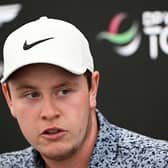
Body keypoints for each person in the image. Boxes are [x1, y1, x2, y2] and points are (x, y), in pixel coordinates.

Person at [0, 16, 168, 168]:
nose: (49, 112)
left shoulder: (159, 161)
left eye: (64, 91)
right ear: (9, 98)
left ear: (92, 88)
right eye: (32, 95)